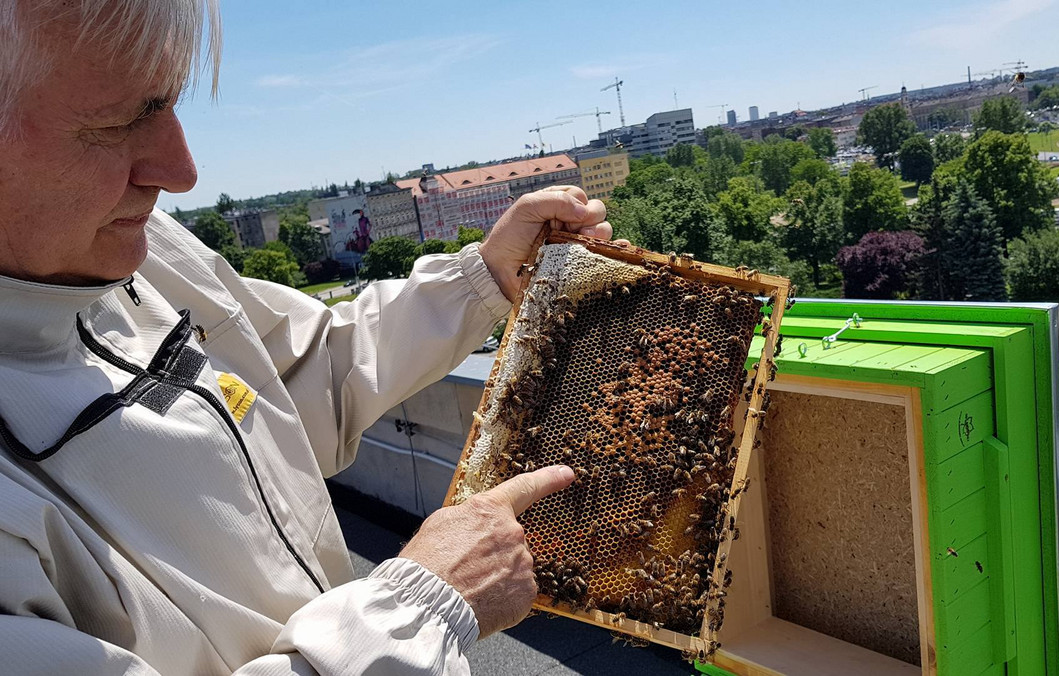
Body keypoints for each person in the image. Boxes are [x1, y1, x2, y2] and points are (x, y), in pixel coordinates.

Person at [0, 1, 617, 673]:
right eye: (120, 120)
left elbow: (291, 383)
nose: (181, 171)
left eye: (167, 105)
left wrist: (482, 281)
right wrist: (414, 612)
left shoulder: (143, 252)